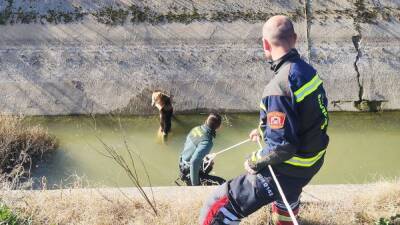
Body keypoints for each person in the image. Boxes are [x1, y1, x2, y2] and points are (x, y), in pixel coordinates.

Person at [199, 15, 329, 225]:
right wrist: (263, 130)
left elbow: (282, 147)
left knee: (217, 204)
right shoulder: (308, 72)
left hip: (288, 167)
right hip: (312, 161)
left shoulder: (278, 87)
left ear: (265, 44)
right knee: (287, 196)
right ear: (294, 38)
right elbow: (305, 117)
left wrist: (255, 160)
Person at [179, 113, 226, 186]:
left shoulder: (196, 128)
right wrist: (195, 185)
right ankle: (195, 180)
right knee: (222, 182)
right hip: (188, 171)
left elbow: (187, 145)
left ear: (206, 121)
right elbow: (194, 162)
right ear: (219, 127)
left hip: (182, 164)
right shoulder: (207, 142)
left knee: (210, 164)